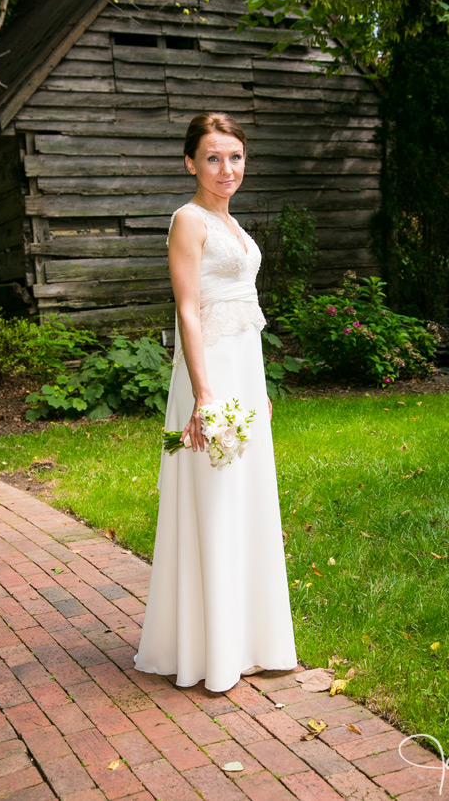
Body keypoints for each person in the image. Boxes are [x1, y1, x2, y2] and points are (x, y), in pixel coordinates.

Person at [133, 112, 297, 692]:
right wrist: (205, 394)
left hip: (243, 373)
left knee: (246, 499)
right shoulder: (188, 219)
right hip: (209, 378)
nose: (227, 169)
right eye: (213, 157)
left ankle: (250, 638)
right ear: (190, 162)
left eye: (236, 157)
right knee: (214, 496)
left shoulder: (234, 224)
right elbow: (188, 311)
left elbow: (242, 311)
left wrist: (260, 389)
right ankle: (211, 648)